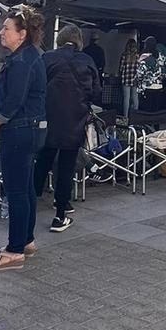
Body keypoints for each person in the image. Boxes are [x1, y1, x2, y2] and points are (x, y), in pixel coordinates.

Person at [0, 6, 47, 271]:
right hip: (31, 130)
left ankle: (14, 250)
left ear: (21, 35)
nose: (1, 31)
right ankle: (26, 240)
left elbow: (14, 99)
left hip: (20, 131)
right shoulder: (28, 56)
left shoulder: (22, 61)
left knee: (16, 191)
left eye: (6, 28)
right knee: (26, 188)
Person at [37, 24, 101, 233]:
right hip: (75, 120)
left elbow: (36, 87)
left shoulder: (47, 57)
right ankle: (60, 214)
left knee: (43, 161)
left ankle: (29, 202)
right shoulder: (87, 60)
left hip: (48, 120)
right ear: (79, 40)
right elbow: (96, 92)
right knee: (66, 167)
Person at [117, 38, 140, 119]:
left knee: (126, 98)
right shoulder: (138, 56)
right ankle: (135, 115)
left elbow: (121, 68)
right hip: (135, 79)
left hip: (126, 78)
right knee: (135, 97)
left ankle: (125, 117)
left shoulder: (124, 55)